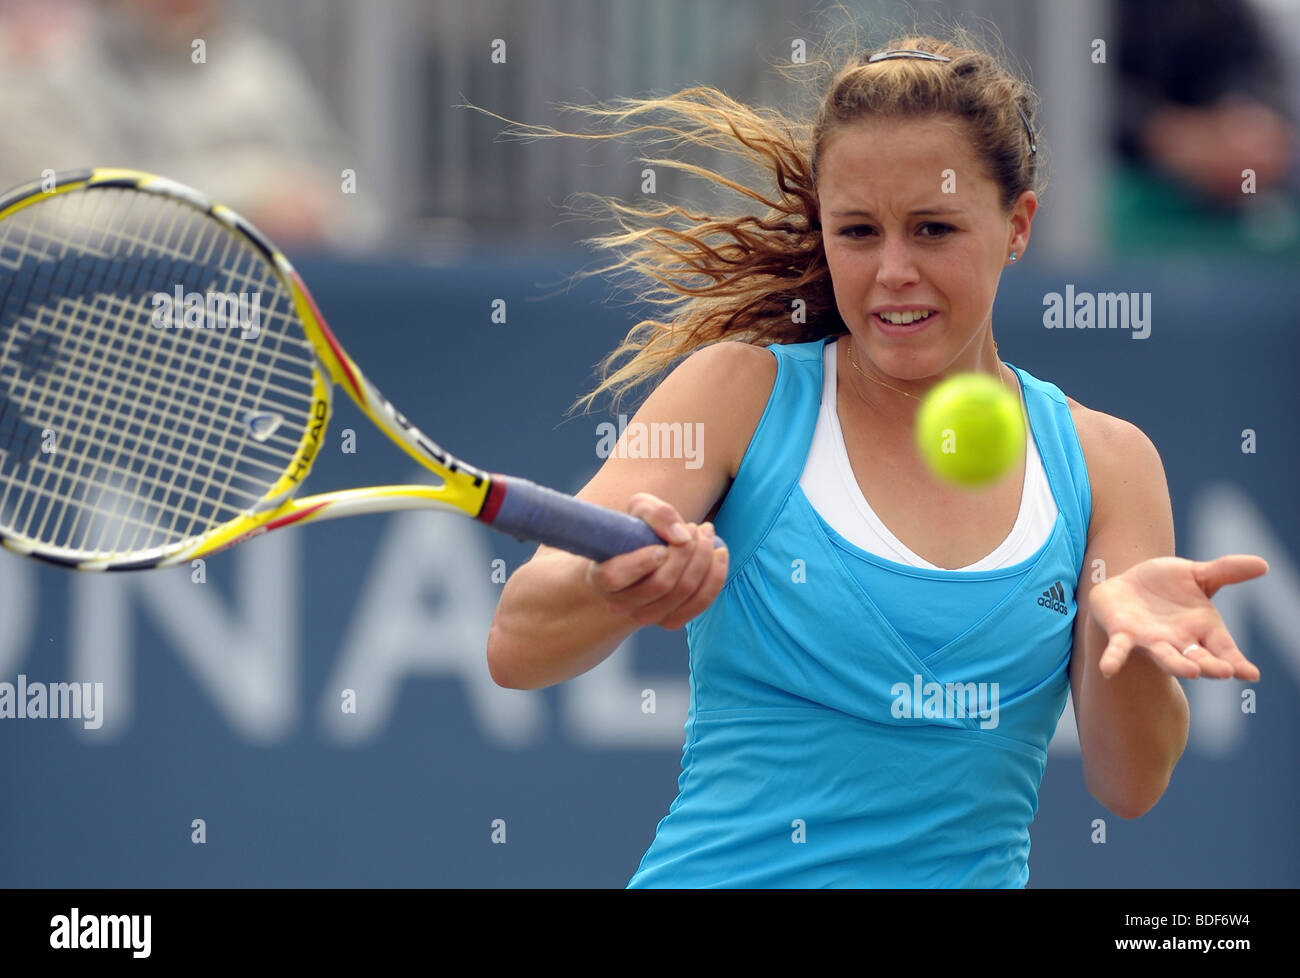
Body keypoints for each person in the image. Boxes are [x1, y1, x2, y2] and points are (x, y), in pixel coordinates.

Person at [485, 31, 1269, 888]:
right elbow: (516, 645)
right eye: (858, 231)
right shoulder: (734, 395)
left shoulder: (1108, 461)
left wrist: (1130, 642)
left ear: (1018, 225)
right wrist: (610, 588)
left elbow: (1130, 784)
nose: (893, 271)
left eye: (933, 229)